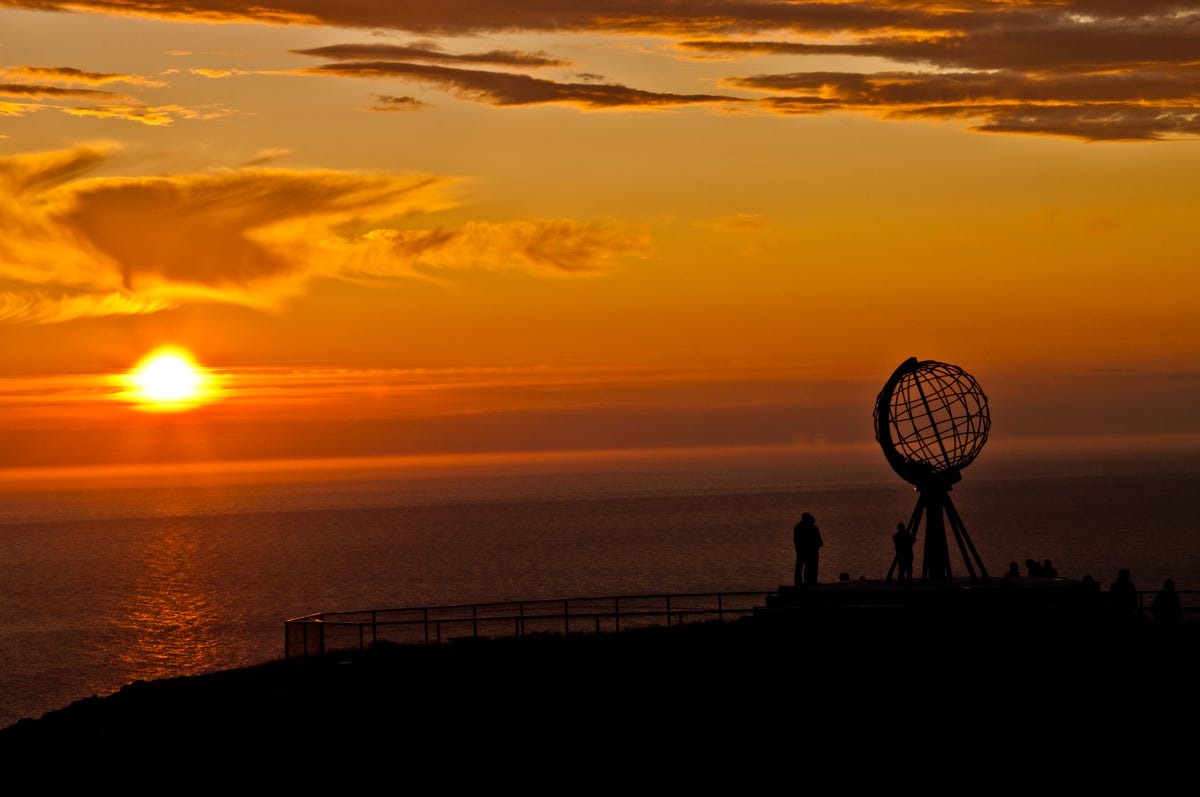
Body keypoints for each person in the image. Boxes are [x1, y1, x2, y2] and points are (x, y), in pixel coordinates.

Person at [793, 512, 824, 586]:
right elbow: (796, 540)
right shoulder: (799, 527)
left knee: (811, 566)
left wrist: (817, 545)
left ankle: (811, 581)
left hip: (811, 551)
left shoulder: (813, 528)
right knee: (801, 566)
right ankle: (799, 582)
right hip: (803, 551)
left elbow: (820, 541)